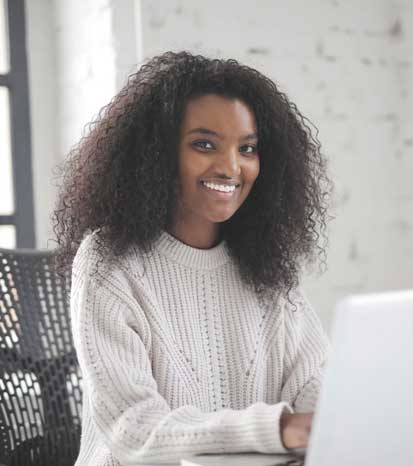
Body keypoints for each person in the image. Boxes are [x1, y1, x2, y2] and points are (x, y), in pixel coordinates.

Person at [53, 51, 332, 465]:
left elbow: (313, 381)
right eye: (204, 145)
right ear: (156, 154)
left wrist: (333, 415)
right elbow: (134, 430)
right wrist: (276, 429)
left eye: (248, 148)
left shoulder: (266, 264)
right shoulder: (109, 262)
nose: (231, 167)